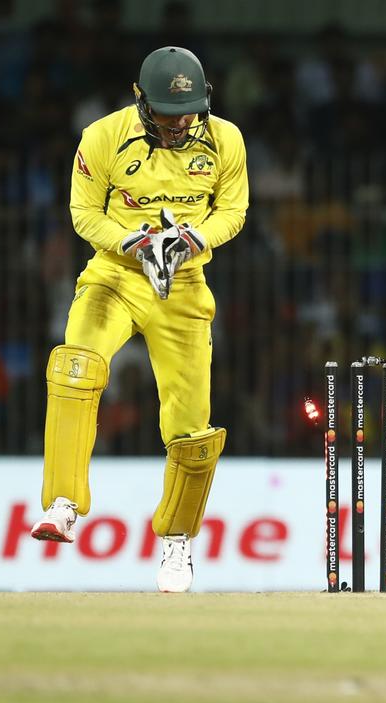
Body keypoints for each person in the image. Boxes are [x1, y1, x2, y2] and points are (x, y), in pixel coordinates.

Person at [30, 47, 248, 593]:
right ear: (139, 99)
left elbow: (233, 210)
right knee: (76, 368)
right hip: (116, 275)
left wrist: (194, 238)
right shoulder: (102, 137)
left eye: (189, 111)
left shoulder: (225, 139)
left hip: (184, 282)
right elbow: (85, 214)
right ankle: (62, 503)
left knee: (192, 425)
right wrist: (133, 240)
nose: (179, 124)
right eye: (167, 112)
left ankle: (178, 544)